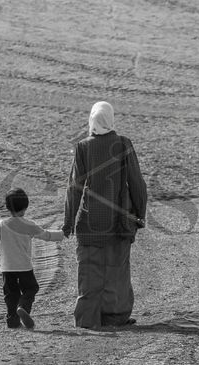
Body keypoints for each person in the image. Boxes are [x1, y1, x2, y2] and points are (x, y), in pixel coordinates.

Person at [62, 101, 147, 329]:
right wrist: (140, 214)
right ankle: (116, 318)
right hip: (120, 221)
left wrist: (68, 223)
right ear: (110, 119)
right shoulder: (123, 144)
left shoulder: (82, 147)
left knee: (89, 272)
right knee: (117, 271)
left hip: (90, 222)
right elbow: (137, 183)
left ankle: (87, 319)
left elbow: (75, 187)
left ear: (91, 120)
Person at [0, 188, 65, 329]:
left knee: (10, 295)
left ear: (7, 207)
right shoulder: (29, 224)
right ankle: (23, 306)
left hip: (7, 267)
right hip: (24, 266)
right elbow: (46, 235)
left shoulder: (1, 224)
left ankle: (12, 321)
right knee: (31, 288)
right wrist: (62, 233)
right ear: (25, 208)